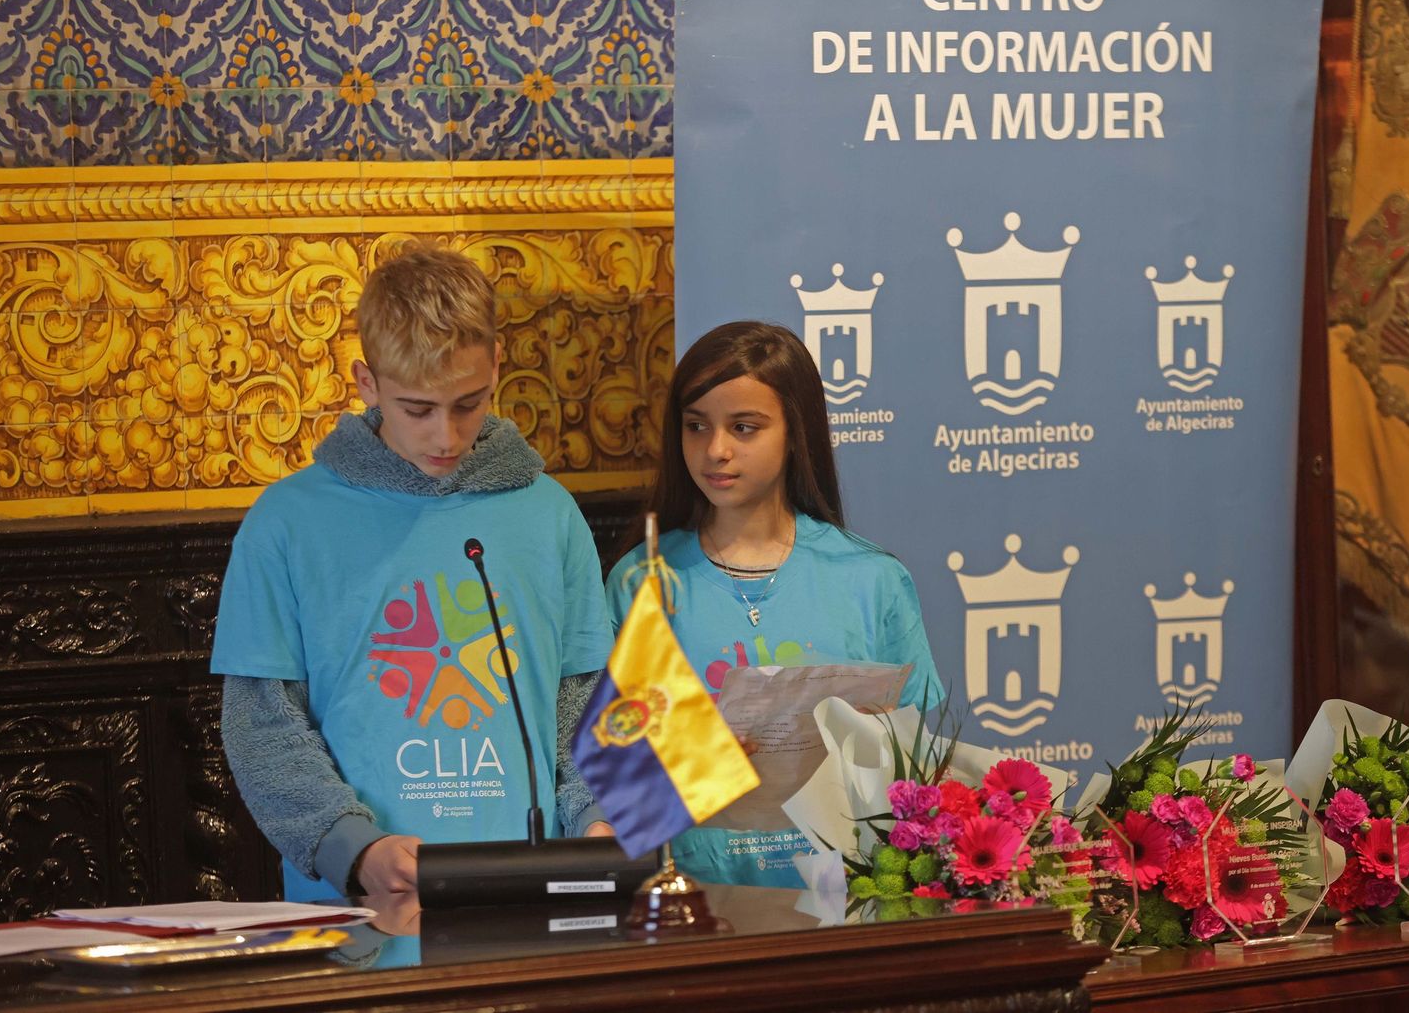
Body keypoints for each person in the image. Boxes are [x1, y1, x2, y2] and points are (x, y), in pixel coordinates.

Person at [212, 244, 613, 900]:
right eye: (417, 409)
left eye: (468, 402)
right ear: (367, 383)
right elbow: (263, 724)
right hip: (362, 916)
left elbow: (585, 702)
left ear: (496, 365)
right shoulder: (285, 523)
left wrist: (597, 817)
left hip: (528, 907)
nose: (445, 436)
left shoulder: (550, 514)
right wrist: (354, 847)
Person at [604, 320, 942, 887]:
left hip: (843, 892)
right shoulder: (642, 582)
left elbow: (914, 765)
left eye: (744, 427)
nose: (716, 450)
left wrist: (868, 742)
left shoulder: (871, 578)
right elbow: (608, 768)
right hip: (695, 894)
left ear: (795, 433)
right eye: (696, 426)